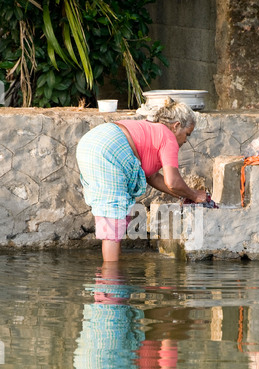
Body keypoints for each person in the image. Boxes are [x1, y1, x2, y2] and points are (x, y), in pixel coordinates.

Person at [76, 97, 207, 262]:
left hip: (90, 143)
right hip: (109, 148)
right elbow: (172, 181)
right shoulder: (168, 136)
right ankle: (110, 280)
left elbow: (152, 176)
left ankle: (111, 274)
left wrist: (184, 196)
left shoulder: (152, 130)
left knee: (112, 213)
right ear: (177, 126)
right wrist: (195, 195)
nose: (186, 140)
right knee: (113, 219)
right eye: (187, 134)